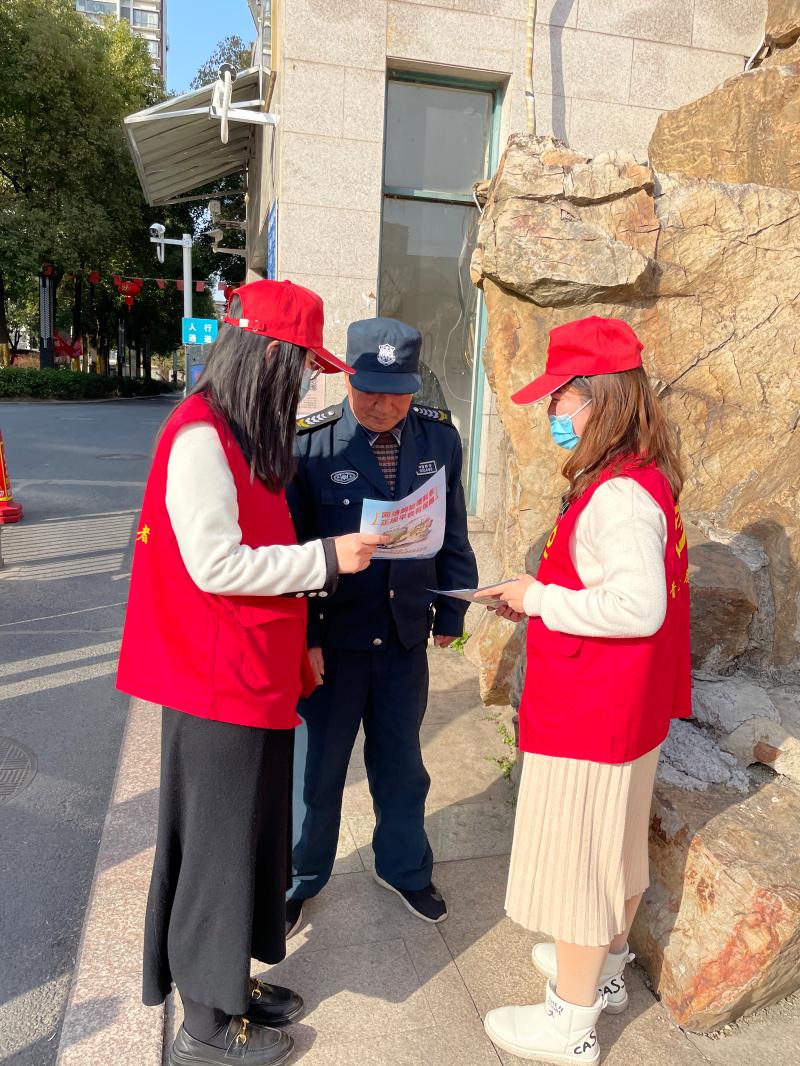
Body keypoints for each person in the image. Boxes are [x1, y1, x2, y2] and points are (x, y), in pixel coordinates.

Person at [116, 280, 387, 1066]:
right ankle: (205, 1027)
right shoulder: (201, 437)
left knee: (249, 842)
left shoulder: (242, 435)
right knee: (216, 854)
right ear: (268, 358)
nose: (306, 384)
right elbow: (218, 564)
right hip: (214, 681)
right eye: (302, 367)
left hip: (251, 671)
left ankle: (228, 980)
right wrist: (326, 559)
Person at [481, 316, 691, 1065]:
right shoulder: (639, 476)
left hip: (593, 714)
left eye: (560, 397)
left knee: (581, 870)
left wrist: (539, 598)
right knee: (618, 853)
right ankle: (602, 970)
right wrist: (540, 596)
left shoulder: (617, 496)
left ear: (600, 397)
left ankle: (569, 1024)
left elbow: (639, 606)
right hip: (625, 710)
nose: (552, 412)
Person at [285, 316, 478, 932]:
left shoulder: (438, 439)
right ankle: (300, 877)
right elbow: (290, 553)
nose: (382, 405)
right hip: (334, 643)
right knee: (317, 773)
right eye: (369, 389)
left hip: (402, 635)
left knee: (401, 766)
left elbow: (452, 530)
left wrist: (452, 608)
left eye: (397, 393)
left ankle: (404, 868)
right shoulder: (310, 445)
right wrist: (305, 637)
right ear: (347, 378)